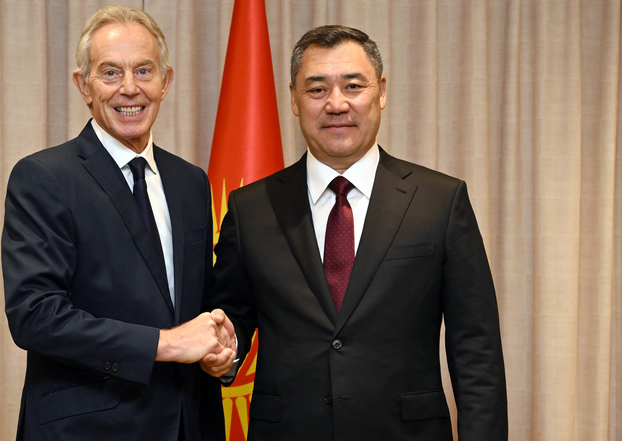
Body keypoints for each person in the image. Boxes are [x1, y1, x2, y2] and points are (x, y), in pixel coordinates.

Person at [203, 25, 508, 440]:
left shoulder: (440, 201)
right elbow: (232, 315)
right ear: (293, 98)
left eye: (353, 86)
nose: (336, 104)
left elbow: (476, 349)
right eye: (317, 89)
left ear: (381, 91)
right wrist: (226, 347)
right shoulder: (250, 208)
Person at [2, 6, 234, 441]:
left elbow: (197, 306)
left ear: (165, 81)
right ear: (83, 85)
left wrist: (218, 348)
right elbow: (35, 316)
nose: (130, 88)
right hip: (88, 429)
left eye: (144, 71)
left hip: (190, 425)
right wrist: (166, 344)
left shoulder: (190, 182)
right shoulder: (44, 177)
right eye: (110, 73)